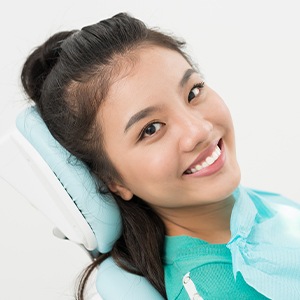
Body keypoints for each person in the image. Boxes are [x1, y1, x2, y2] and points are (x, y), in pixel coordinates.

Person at [20, 12, 300, 300]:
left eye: (193, 92)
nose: (199, 129)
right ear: (113, 179)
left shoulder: (246, 210)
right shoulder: (214, 288)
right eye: (151, 129)